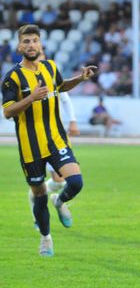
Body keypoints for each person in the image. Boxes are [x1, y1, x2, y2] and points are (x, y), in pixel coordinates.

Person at [2, 24, 96, 256]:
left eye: (34, 40)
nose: (31, 45)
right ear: (19, 46)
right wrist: (32, 98)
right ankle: (45, 238)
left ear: (40, 44)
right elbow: (8, 111)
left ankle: (60, 201)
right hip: (30, 146)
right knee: (38, 194)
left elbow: (61, 87)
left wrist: (80, 79)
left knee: (76, 182)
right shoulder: (12, 77)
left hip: (56, 139)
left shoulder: (50, 67)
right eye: (26, 41)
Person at [27, 51, 80, 230]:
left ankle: (58, 201)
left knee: (59, 181)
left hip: (54, 138)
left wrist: (72, 121)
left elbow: (65, 99)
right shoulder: (23, 80)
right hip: (33, 140)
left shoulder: (50, 78)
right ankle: (39, 217)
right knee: (41, 183)